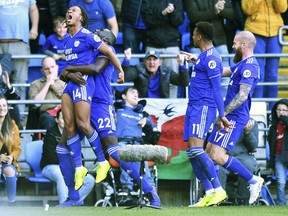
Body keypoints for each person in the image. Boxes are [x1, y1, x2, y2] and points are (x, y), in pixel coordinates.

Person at [59, 27, 161, 207]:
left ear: (106, 39)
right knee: (62, 145)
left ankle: (149, 189)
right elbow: (70, 71)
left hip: (100, 104)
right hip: (83, 100)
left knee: (113, 150)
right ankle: (73, 197)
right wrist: (67, 72)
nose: (97, 30)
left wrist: (69, 69)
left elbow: (95, 69)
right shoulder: (88, 48)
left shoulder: (107, 51)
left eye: (102, 30)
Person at [56, 6, 124, 200]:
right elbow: (64, 72)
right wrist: (66, 72)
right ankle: (79, 167)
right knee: (69, 126)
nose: (69, 12)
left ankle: (102, 161)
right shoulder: (67, 40)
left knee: (83, 124)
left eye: (74, 10)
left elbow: (109, 53)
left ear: (81, 17)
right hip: (70, 84)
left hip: (84, 83)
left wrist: (121, 70)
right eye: (68, 9)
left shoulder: (88, 35)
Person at [204, 30, 263, 206]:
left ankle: (253, 181)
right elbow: (224, 71)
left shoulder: (251, 66)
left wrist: (224, 114)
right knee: (208, 152)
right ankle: (212, 192)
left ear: (244, 45)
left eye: (235, 43)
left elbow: (243, 95)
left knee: (217, 155)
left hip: (234, 116)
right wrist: (201, 63)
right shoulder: (242, 64)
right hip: (228, 115)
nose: (232, 46)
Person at [181, 21, 230, 207]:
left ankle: (218, 189)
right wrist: (195, 60)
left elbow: (217, 89)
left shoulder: (212, 58)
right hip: (193, 106)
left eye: (194, 34)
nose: (192, 37)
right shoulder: (203, 57)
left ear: (199, 36)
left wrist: (222, 114)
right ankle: (209, 192)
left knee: (196, 149)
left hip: (203, 107)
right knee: (191, 152)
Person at [40, 108, 95, 205]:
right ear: (57, 120)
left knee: (90, 180)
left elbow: (79, 156)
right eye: (62, 118)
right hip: (50, 167)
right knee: (62, 174)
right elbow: (51, 157)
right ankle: (64, 208)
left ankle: (69, 204)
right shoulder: (50, 134)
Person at [242, 0, 287, 110]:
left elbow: (282, 8)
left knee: (272, 75)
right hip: (255, 32)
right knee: (258, 74)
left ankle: (273, 113)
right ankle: (258, 111)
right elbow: (248, 9)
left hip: (275, 32)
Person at [183, 0, 234, 96]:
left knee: (224, 78)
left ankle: (223, 106)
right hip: (199, 42)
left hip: (219, 40)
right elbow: (193, 16)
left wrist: (221, 10)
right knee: (198, 75)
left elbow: (232, 13)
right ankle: (197, 102)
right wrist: (214, 11)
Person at [114, 87, 156, 203]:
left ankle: (150, 190)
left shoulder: (142, 114)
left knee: (142, 162)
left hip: (137, 144)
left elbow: (152, 132)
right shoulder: (117, 110)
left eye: (137, 93)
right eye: (132, 92)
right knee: (127, 154)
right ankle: (126, 188)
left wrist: (146, 121)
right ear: (123, 96)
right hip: (122, 143)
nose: (136, 95)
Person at [0, 0, 39, 114]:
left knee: (20, 80)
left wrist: (35, 28)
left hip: (20, 42)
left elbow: (33, 9)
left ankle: (20, 115)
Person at [141, 0, 184, 98]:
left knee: (173, 81)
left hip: (172, 45)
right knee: (148, 79)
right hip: (153, 45)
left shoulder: (177, 1)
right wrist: (163, 13)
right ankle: (148, 108)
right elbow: (148, 21)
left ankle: (172, 105)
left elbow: (179, 21)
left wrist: (172, 13)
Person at [218, 118, 259, 205]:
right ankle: (219, 199)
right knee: (217, 168)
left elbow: (253, 146)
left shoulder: (251, 122)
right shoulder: (220, 120)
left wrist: (248, 133)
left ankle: (244, 200)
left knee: (248, 166)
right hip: (224, 154)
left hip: (243, 155)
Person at [122, 49, 189, 98]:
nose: (152, 62)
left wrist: (181, 65)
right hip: (143, 105)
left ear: (160, 62)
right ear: (145, 62)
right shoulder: (138, 69)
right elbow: (125, 77)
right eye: (149, 59)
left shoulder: (166, 71)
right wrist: (126, 60)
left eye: (154, 59)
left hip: (160, 107)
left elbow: (184, 82)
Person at [28, 56, 65, 130]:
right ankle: (53, 141)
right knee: (48, 119)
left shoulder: (65, 82)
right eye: (47, 69)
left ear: (57, 68)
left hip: (64, 111)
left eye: (52, 67)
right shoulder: (35, 84)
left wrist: (53, 84)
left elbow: (66, 97)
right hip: (47, 114)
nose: (50, 71)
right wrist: (47, 84)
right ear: (42, 71)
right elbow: (36, 103)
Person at [0, 96, 21, 205]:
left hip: (7, 162)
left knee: (10, 171)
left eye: (4, 105)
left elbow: (17, 147)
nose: (1, 108)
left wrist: (12, 156)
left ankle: (11, 203)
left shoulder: (12, 125)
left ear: (7, 108)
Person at [267, 99, 288, 205]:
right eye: (279, 110)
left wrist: (285, 119)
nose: (281, 112)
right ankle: (281, 204)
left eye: (284, 110)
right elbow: (271, 147)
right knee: (281, 182)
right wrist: (271, 164)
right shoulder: (273, 128)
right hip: (279, 157)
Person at [0, 63, 21, 128]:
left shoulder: (4, 86)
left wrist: (9, 86)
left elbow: (17, 97)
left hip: (5, 121)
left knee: (13, 107)